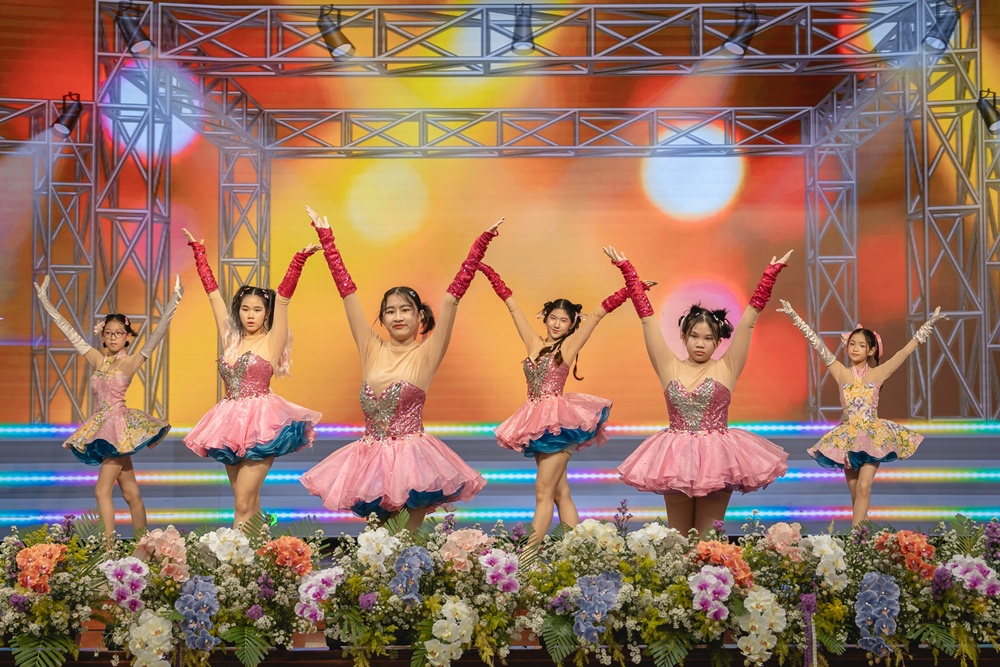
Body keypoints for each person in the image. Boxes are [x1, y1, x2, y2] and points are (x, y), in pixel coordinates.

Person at [299, 206, 496, 531]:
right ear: (382, 318)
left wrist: (479, 246)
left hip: (412, 462)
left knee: (405, 540)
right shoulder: (370, 349)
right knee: (376, 544)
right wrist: (328, 241)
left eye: (406, 309)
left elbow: (451, 300)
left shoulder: (426, 354)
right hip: (369, 462)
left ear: (420, 317)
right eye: (390, 311)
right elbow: (347, 294)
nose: (398, 316)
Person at [607, 246, 792, 535]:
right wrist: (628, 271)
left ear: (718, 341)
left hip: (717, 460)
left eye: (708, 338)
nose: (700, 343)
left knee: (708, 540)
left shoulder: (727, 367)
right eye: (694, 336)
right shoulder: (668, 365)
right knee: (678, 539)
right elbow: (647, 319)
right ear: (683, 336)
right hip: (674, 459)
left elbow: (749, 320)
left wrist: (769, 276)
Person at [478, 262, 652, 544]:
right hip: (536, 423)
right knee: (560, 493)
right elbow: (512, 306)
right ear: (545, 318)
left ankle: (529, 555)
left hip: (559, 425)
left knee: (542, 492)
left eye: (564, 320)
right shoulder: (534, 344)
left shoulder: (568, 347)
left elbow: (598, 314)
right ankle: (576, 552)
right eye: (553, 318)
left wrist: (634, 288)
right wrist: (487, 271)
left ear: (572, 325)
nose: (557, 324)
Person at [182, 228, 322, 528]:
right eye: (245, 309)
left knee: (242, 503)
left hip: (261, 424)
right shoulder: (231, 338)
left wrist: (298, 261)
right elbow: (213, 296)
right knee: (247, 501)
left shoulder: (272, 341)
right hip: (229, 424)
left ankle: (235, 555)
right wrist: (199, 254)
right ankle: (261, 551)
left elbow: (283, 299)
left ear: (266, 314)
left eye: (257, 310)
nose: (250, 314)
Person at [34, 275, 182, 536]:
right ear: (102, 335)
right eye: (109, 333)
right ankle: (144, 543)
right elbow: (70, 332)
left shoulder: (130, 362)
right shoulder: (98, 361)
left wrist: (174, 299)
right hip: (102, 425)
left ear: (127, 337)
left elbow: (157, 334)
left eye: (119, 333)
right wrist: (45, 301)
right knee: (130, 492)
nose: (113, 337)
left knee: (102, 490)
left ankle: (108, 547)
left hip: (118, 427)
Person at [778, 300, 946, 524]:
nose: (855, 348)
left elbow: (905, 352)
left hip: (872, 437)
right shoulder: (841, 372)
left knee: (864, 487)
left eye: (861, 345)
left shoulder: (878, 374)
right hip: (847, 439)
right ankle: (864, 539)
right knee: (856, 495)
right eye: (852, 344)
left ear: (871, 350)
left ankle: (854, 539)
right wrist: (794, 315)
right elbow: (817, 344)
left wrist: (929, 324)